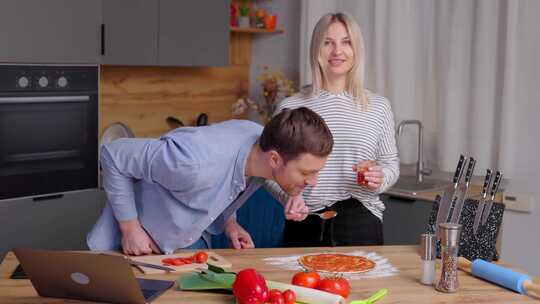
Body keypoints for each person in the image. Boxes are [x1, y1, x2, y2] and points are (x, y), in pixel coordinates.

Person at [87, 107, 334, 255]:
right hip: (123, 247)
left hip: (180, 246)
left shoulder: (261, 149)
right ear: (275, 159)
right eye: (306, 173)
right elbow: (113, 154)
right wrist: (130, 229)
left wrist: (229, 224)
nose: (313, 181)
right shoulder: (192, 162)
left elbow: (222, 186)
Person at [272, 12, 399, 246]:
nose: (337, 51)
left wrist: (379, 179)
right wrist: (290, 194)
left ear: (356, 49)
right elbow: (271, 169)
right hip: (305, 219)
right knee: (299, 285)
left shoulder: (379, 107)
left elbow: (390, 165)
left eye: (346, 42)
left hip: (362, 219)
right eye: (328, 42)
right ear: (316, 49)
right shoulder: (290, 107)